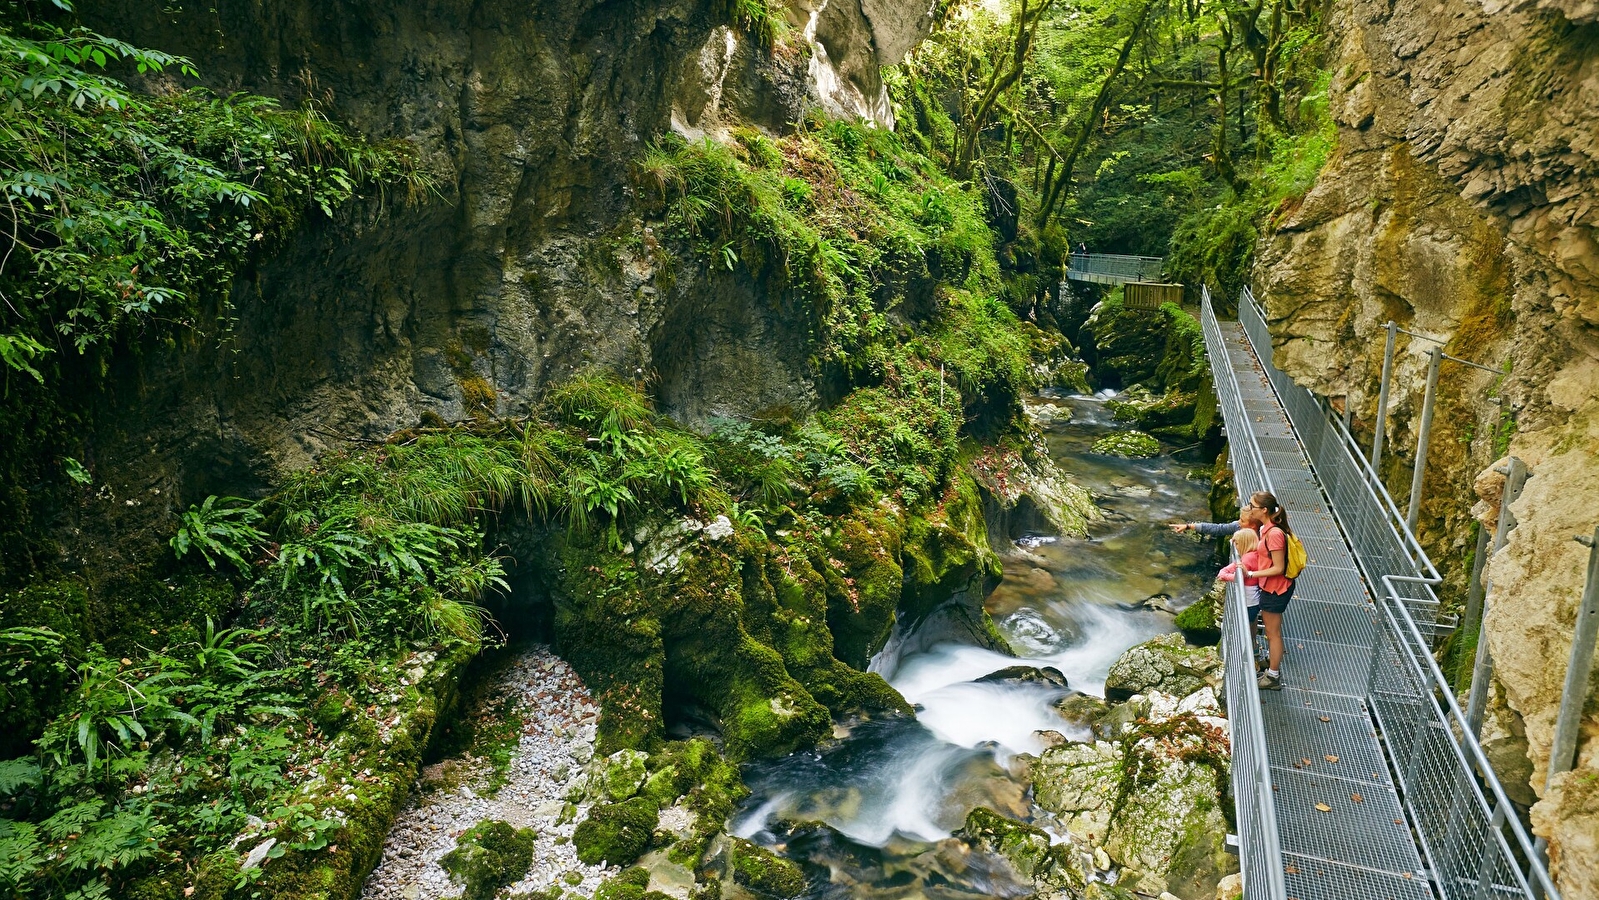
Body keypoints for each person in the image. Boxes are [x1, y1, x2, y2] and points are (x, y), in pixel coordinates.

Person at [1242, 491, 1295, 691]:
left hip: (1276, 589)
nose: (1249, 509)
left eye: (1252, 506)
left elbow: (1278, 568)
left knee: (1273, 634)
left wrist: (1251, 574)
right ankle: (1270, 664)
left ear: (1263, 510)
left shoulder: (1274, 534)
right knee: (1272, 633)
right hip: (1268, 586)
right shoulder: (1266, 528)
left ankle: (1273, 676)